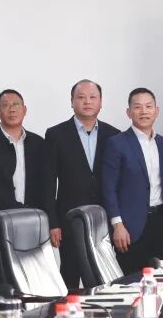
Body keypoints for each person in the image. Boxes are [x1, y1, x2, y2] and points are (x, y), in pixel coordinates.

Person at [43, 79, 119, 289]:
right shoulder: (56, 134)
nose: (87, 102)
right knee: (69, 275)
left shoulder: (113, 135)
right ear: (72, 101)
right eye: (81, 97)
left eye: (93, 97)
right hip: (69, 218)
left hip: (104, 219)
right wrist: (53, 222)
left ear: (101, 102)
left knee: (104, 276)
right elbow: (48, 183)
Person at [101, 88, 163, 274]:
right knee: (130, 282)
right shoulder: (117, 143)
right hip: (130, 227)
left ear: (156, 111)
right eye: (137, 107)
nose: (143, 111)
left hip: (160, 224)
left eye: (148, 106)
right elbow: (108, 188)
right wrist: (117, 225)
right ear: (128, 112)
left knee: (160, 280)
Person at [0, 89, 48, 216]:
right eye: (5, 105)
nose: (12, 109)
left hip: (36, 217)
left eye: (16, 104)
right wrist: (20, 210)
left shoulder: (39, 143)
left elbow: (46, 184)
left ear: (24, 110)